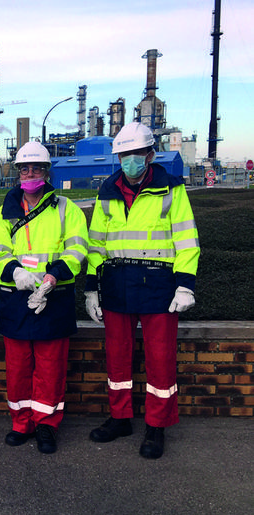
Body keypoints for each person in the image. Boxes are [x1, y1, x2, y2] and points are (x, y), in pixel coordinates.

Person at [85, 122, 200, 459]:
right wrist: (91, 288)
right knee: (117, 358)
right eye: (124, 155)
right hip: (117, 284)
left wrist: (185, 286)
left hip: (159, 287)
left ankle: (156, 425)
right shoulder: (106, 190)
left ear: (151, 154)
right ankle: (120, 417)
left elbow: (187, 241)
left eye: (136, 154)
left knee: (160, 361)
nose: (130, 160)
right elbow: (95, 245)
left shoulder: (171, 190)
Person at [0, 141, 88, 454]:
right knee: (17, 368)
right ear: (17, 173)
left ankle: (46, 424)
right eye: (24, 169)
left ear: (47, 172)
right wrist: (15, 272)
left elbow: (77, 248)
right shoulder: (3, 213)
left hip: (54, 296)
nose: (30, 173)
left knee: (50, 368)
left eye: (37, 168)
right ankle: (21, 422)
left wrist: (54, 274)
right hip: (16, 298)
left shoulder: (66, 208)